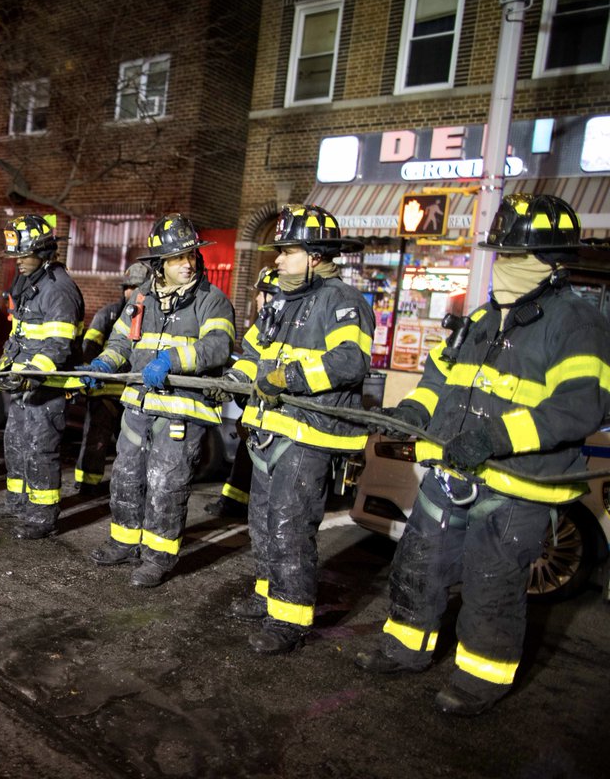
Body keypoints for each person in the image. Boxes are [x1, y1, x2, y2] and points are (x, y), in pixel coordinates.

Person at [354, 194, 610, 716]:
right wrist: (416, 409)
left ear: (551, 262)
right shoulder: (482, 317)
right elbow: (440, 376)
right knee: (419, 563)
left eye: (514, 255)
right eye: (501, 254)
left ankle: (480, 678)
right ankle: (404, 648)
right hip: (450, 470)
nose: (503, 266)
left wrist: (495, 437)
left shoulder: (577, 323)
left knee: (492, 582)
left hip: (515, 483)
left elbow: (581, 406)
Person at [213, 205, 373, 654]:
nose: (278, 260)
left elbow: (350, 362)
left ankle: (289, 619)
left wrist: (288, 377)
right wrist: (234, 379)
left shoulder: (343, 301)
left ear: (315, 255)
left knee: (289, 525)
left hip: (309, 434)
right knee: (263, 521)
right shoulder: (282, 301)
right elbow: (253, 353)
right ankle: (268, 595)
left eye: (287, 251)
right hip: (270, 431)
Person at [80, 213, 236, 588]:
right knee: (126, 476)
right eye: (178, 257)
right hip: (138, 406)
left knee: (166, 484)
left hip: (181, 409)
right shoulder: (141, 298)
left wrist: (171, 360)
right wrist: (104, 363)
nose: (188, 263)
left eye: (191, 255)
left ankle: (157, 557)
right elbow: (121, 342)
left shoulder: (212, 301)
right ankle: (123, 542)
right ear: (159, 264)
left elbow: (218, 346)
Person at [0, 215, 85, 538]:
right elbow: (21, 333)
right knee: (15, 443)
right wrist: (6, 362)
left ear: (42, 252)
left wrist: (31, 373)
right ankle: (18, 502)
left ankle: (42, 516)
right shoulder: (30, 284)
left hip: (48, 387)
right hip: (24, 384)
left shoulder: (59, 289)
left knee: (41, 449)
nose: (18, 261)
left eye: (24, 255)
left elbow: (59, 344)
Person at [205, 268, 280, 518]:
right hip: (259, 410)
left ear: (273, 296)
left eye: (262, 293)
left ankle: (242, 504)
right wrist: (233, 381)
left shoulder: (284, 324)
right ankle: (234, 500)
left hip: (276, 414)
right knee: (247, 451)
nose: (257, 299)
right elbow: (251, 359)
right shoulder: (266, 324)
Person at [73, 262, 149, 495]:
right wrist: (90, 376)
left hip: (133, 395)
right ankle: (87, 483)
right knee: (96, 439)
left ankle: (127, 487)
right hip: (105, 392)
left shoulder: (152, 318)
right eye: (130, 287)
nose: (133, 292)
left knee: (131, 445)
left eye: (139, 287)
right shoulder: (108, 315)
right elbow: (89, 348)